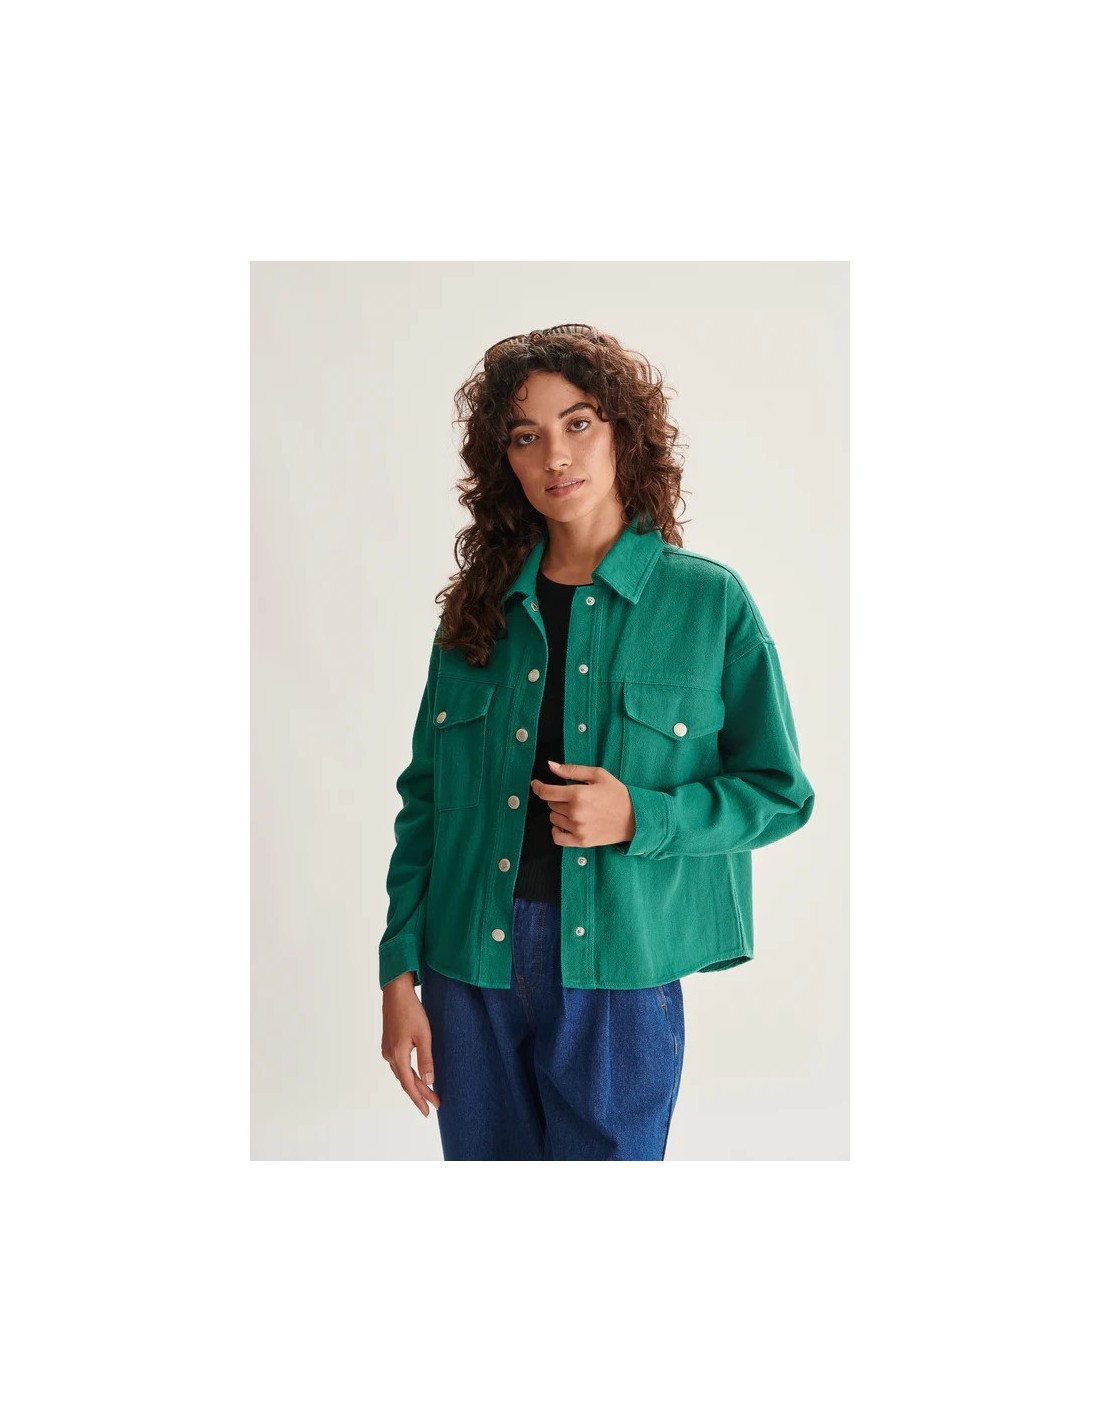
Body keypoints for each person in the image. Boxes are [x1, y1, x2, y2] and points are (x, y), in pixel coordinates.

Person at [378, 323, 814, 1160]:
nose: (555, 455)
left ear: (623, 433)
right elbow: (424, 802)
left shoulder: (708, 603)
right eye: (525, 436)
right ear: (504, 461)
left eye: (577, 423)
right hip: (468, 969)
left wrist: (642, 816)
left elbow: (780, 793)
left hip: (620, 973)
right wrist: (398, 972)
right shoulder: (477, 613)